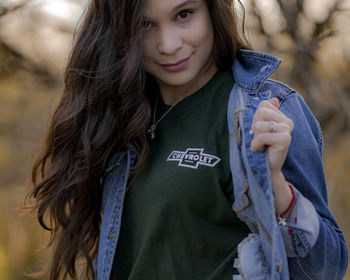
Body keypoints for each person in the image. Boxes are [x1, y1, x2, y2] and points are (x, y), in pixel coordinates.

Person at [28, 0, 348, 279]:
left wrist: (277, 187)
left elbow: (328, 268)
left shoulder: (267, 111)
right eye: (145, 24)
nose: (168, 45)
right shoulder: (117, 116)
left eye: (184, 14)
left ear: (212, 10)